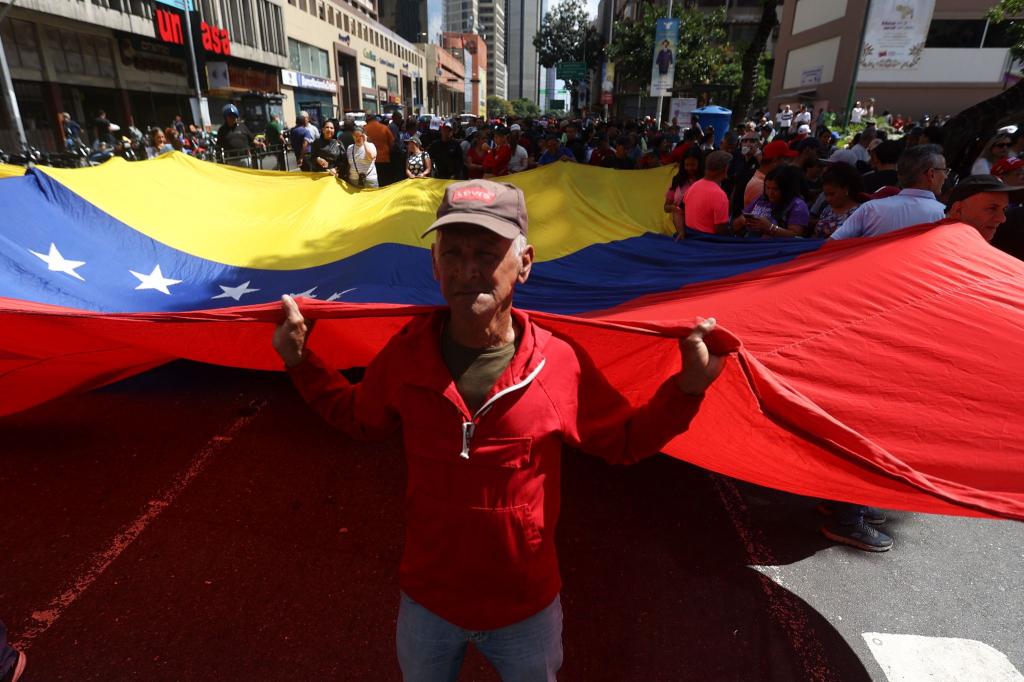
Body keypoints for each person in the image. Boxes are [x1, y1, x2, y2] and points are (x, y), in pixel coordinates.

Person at [273, 178, 725, 681]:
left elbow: (623, 442)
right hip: (427, 602)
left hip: (524, 611)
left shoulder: (557, 362)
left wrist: (686, 389)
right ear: (434, 263)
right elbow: (361, 418)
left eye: (487, 253)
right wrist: (301, 361)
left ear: (524, 263)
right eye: (454, 252)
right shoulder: (408, 353)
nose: (468, 270)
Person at [830, 144, 948, 240]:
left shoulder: (871, 208)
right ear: (931, 174)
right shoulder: (944, 216)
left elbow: (832, 244)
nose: (946, 176)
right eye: (944, 170)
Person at [735, 165, 810, 238]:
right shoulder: (762, 198)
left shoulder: (797, 205)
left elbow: (796, 236)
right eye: (767, 187)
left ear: (786, 189)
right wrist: (742, 221)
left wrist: (770, 227)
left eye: (775, 189)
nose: (770, 193)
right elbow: (735, 225)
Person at [945, 175, 1017, 242]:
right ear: (958, 210)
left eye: (1004, 209)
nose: (1002, 219)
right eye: (992, 208)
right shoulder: (940, 248)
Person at [681, 150, 732, 235]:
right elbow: (720, 230)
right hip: (707, 243)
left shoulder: (693, 187)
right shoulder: (720, 195)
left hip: (691, 238)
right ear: (726, 169)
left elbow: (682, 212)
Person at [812, 162, 863, 238]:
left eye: (832, 194)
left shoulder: (860, 212)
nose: (828, 199)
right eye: (826, 195)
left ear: (846, 189)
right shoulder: (827, 210)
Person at [744, 140, 797, 207]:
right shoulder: (762, 185)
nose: (788, 163)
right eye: (786, 159)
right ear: (775, 160)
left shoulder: (756, 176)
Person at [664, 147, 704, 234]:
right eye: (687, 165)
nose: (689, 168)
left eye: (693, 165)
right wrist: (674, 208)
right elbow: (666, 207)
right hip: (679, 226)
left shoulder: (705, 180)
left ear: (700, 164)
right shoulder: (677, 180)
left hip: (699, 227)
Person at [365, 115, 396, 185]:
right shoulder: (384, 128)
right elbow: (392, 143)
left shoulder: (364, 129)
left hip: (370, 160)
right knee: (384, 181)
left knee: (372, 182)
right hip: (384, 159)